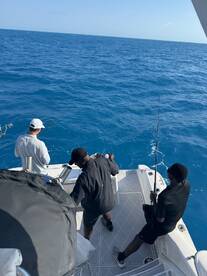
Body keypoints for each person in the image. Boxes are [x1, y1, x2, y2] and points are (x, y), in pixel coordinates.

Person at [114, 163, 190, 268]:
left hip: (162, 226)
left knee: (139, 236)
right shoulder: (186, 185)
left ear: (173, 177)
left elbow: (159, 219)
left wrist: (155, 200)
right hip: (173, 221)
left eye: (170, 175)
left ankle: (121, 258)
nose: (168, 175)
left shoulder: (164, 197)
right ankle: (150, 239)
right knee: (147, 209)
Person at [69, 148, 119, 240]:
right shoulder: (103, 160)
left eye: (76, 162)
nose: (76, 164)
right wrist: (111, 160)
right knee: (105, 209)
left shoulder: (83, 178)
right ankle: (109, 224)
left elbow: (73, 201)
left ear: (81, 161)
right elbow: (116, 171)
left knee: (88, 225)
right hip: (109, 201)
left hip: (94, 208)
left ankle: (86, 239)